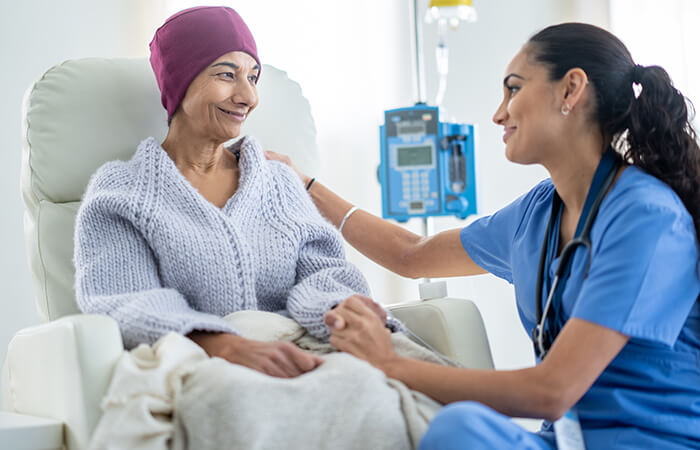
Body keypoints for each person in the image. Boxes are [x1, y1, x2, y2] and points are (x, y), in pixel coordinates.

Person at [267, 23, 700, 448]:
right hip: (561, 442)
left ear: (570, 90)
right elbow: (412, 254)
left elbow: (553, 392)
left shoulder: (647, 217)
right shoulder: (538, 213)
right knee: (460, 429)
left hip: (650, 441)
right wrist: (304, 185)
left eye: (513, 89)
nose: (498, 114)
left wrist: (389, 362)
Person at [73, 6, 392, 380]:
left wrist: (341, 310)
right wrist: (222, 345)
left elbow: (324, 272)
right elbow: (125, 297)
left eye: (253, 77)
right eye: (227, 75)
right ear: (180, 82)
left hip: (311, 350)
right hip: (202, 364)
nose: (248, 97)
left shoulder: (277, 181)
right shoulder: (122, 191)